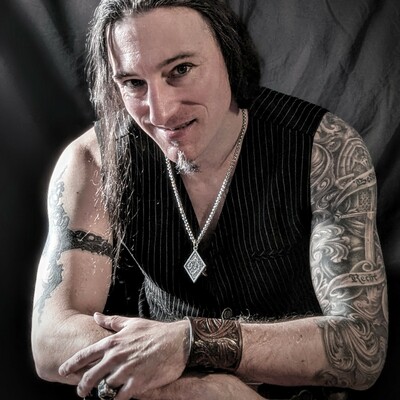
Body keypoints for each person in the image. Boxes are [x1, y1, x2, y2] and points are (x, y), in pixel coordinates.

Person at [31, 1, 388, 399]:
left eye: (180, 70)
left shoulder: (324, 150)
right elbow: (51, 341)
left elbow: (362, 349)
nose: (160, 112)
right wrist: (206, 390)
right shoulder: (95, 160)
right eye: (133, 83)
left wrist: (192, 343)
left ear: (228, 54)